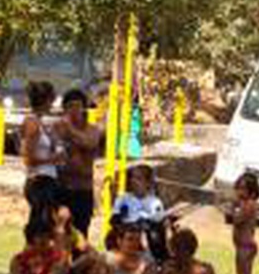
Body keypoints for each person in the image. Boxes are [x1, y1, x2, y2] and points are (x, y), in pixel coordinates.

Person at [56, 88, 103, 238]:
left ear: (84, 108)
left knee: (81, 236)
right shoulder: (58, 130)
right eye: (70, 106)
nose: (74, 110)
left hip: (83, 190)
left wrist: (69, 130)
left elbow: (89, 142)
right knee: (60, 235)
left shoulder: (93, 129)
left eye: (77, 105)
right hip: (62, 189)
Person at [19, 82, 61, 229]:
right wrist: (53, 159)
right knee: (40, 228)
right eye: (51, 100)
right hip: (39, 182)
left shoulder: (40, 122)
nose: (53, 105)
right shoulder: (32, 123)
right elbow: (27, 158)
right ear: (46, 100)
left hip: (47, 180)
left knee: (47, 226)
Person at [114, 163, 170, 259]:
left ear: (148, 183)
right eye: (132, 177)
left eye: (139, 178)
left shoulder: (155, 203)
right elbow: (115, 221)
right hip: (124, 247)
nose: (133, 181)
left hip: (147, 249)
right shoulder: (122, 199)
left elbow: (156, 226)